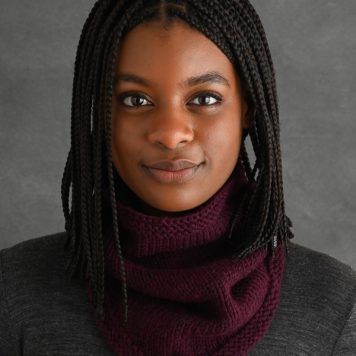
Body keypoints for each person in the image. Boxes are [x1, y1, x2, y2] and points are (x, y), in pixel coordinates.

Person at [1, 0, 355, 355]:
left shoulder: (337, 304)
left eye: (204, 98)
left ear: (247, 107)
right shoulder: (13, 292)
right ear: (100, 111)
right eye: (135, 100)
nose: (170, 135)